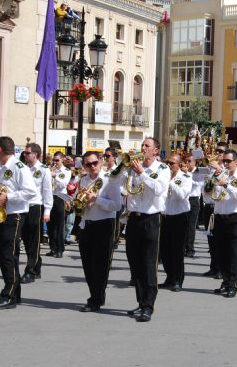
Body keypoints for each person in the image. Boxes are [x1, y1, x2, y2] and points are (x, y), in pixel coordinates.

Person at [0, 136, 36, 310]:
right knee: (5, 255)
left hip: (14, 215)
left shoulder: (19, 167)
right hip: (1, 215)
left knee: (8, 255)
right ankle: (14, 292)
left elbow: (30, 191)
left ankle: (9, 295)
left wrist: (9, 197)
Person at [121, 138, 170, 322]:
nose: (142, 148)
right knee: (136, 264)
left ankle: (148, 306)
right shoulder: (134, 167)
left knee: (149, 264)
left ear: (155, 151)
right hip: (134, 218)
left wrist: (142, 173)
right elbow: (126, 189)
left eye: (147, 146)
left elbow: (158, 188)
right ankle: (141, 302)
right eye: (142, 145)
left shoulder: (162, 169)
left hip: (151, 219)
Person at [76, 151, 122, 312]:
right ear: (84, 166)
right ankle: (95, 295)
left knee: (100, 265)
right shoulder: (83, 180)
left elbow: (117, 205)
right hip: (86, 224)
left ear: (101, 162)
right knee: (88, 265)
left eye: (95, 163)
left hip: (104, 225)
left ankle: (96, 298)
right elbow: (79, 202)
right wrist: (79, 203)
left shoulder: (110, 180)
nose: (93, 166)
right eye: (88, 164)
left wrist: (96, 199)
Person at [203, 149, 237, 297]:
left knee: (233, 253)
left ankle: (233, 284)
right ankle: (225, 281)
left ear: (236, 162)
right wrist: (210, 181)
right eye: (224, 161)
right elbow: (207, 197)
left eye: (229, 161)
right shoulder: (219, 175)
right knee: (221, 252)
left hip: (235, 218)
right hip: (219, 217)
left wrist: (226, 184)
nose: (225, 164)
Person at [20, 143, 53, 283]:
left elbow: (47, 191)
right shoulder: (22, 168)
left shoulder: (43, 169)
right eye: (24, 153)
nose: (25, 155)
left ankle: (30, 271)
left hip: (35, 206)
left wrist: (47, 210)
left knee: (34, 239)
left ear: (35, 154)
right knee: (26, 239)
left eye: (27, 153)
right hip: (22, 206)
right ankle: (36, 264)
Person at [159, 153, 192, 292]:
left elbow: (182, 195)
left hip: (179, 217)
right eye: (167, 162)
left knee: (177, 251)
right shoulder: (163, 176)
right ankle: (169, 278)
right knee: (165, 250)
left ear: (179, 164)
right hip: (165, 216)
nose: (169, 165)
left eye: (172, 163)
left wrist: (171, 183)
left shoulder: (185, 177)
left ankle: (178, 280)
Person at [202, 141, 228, 278]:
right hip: (209, 206)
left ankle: (221, 269)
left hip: (220, 207)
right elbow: (205, 188)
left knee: (220, 241)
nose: (217, 154)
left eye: (220, 151)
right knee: (211, 240)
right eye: (216, 151)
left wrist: (219, 169)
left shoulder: (227, 169)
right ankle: (213, 267)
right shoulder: (210, 168)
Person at [46, 152, 70, 258]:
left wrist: (55, 175)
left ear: (62, 160)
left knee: (59, 225)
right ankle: (52, 248)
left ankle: (60, 249)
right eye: (54, 160)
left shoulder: (66, 171)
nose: (55, 162)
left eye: (57, 160)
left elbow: (63, 184)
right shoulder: (50, 169)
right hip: (50, 197)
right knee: (50, 225)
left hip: (60, 198)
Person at [184, 154, 203, 258]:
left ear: (195, 162)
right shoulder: (184, 171)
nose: (187, 163)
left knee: (191, 226)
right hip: (184, 199)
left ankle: (190, 249)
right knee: (183, 225)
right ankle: (183, 247)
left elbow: (198, 184)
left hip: (194, 200)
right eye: (186, 160)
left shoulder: (198, 172)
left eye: (189, 161)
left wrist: (187, 175)